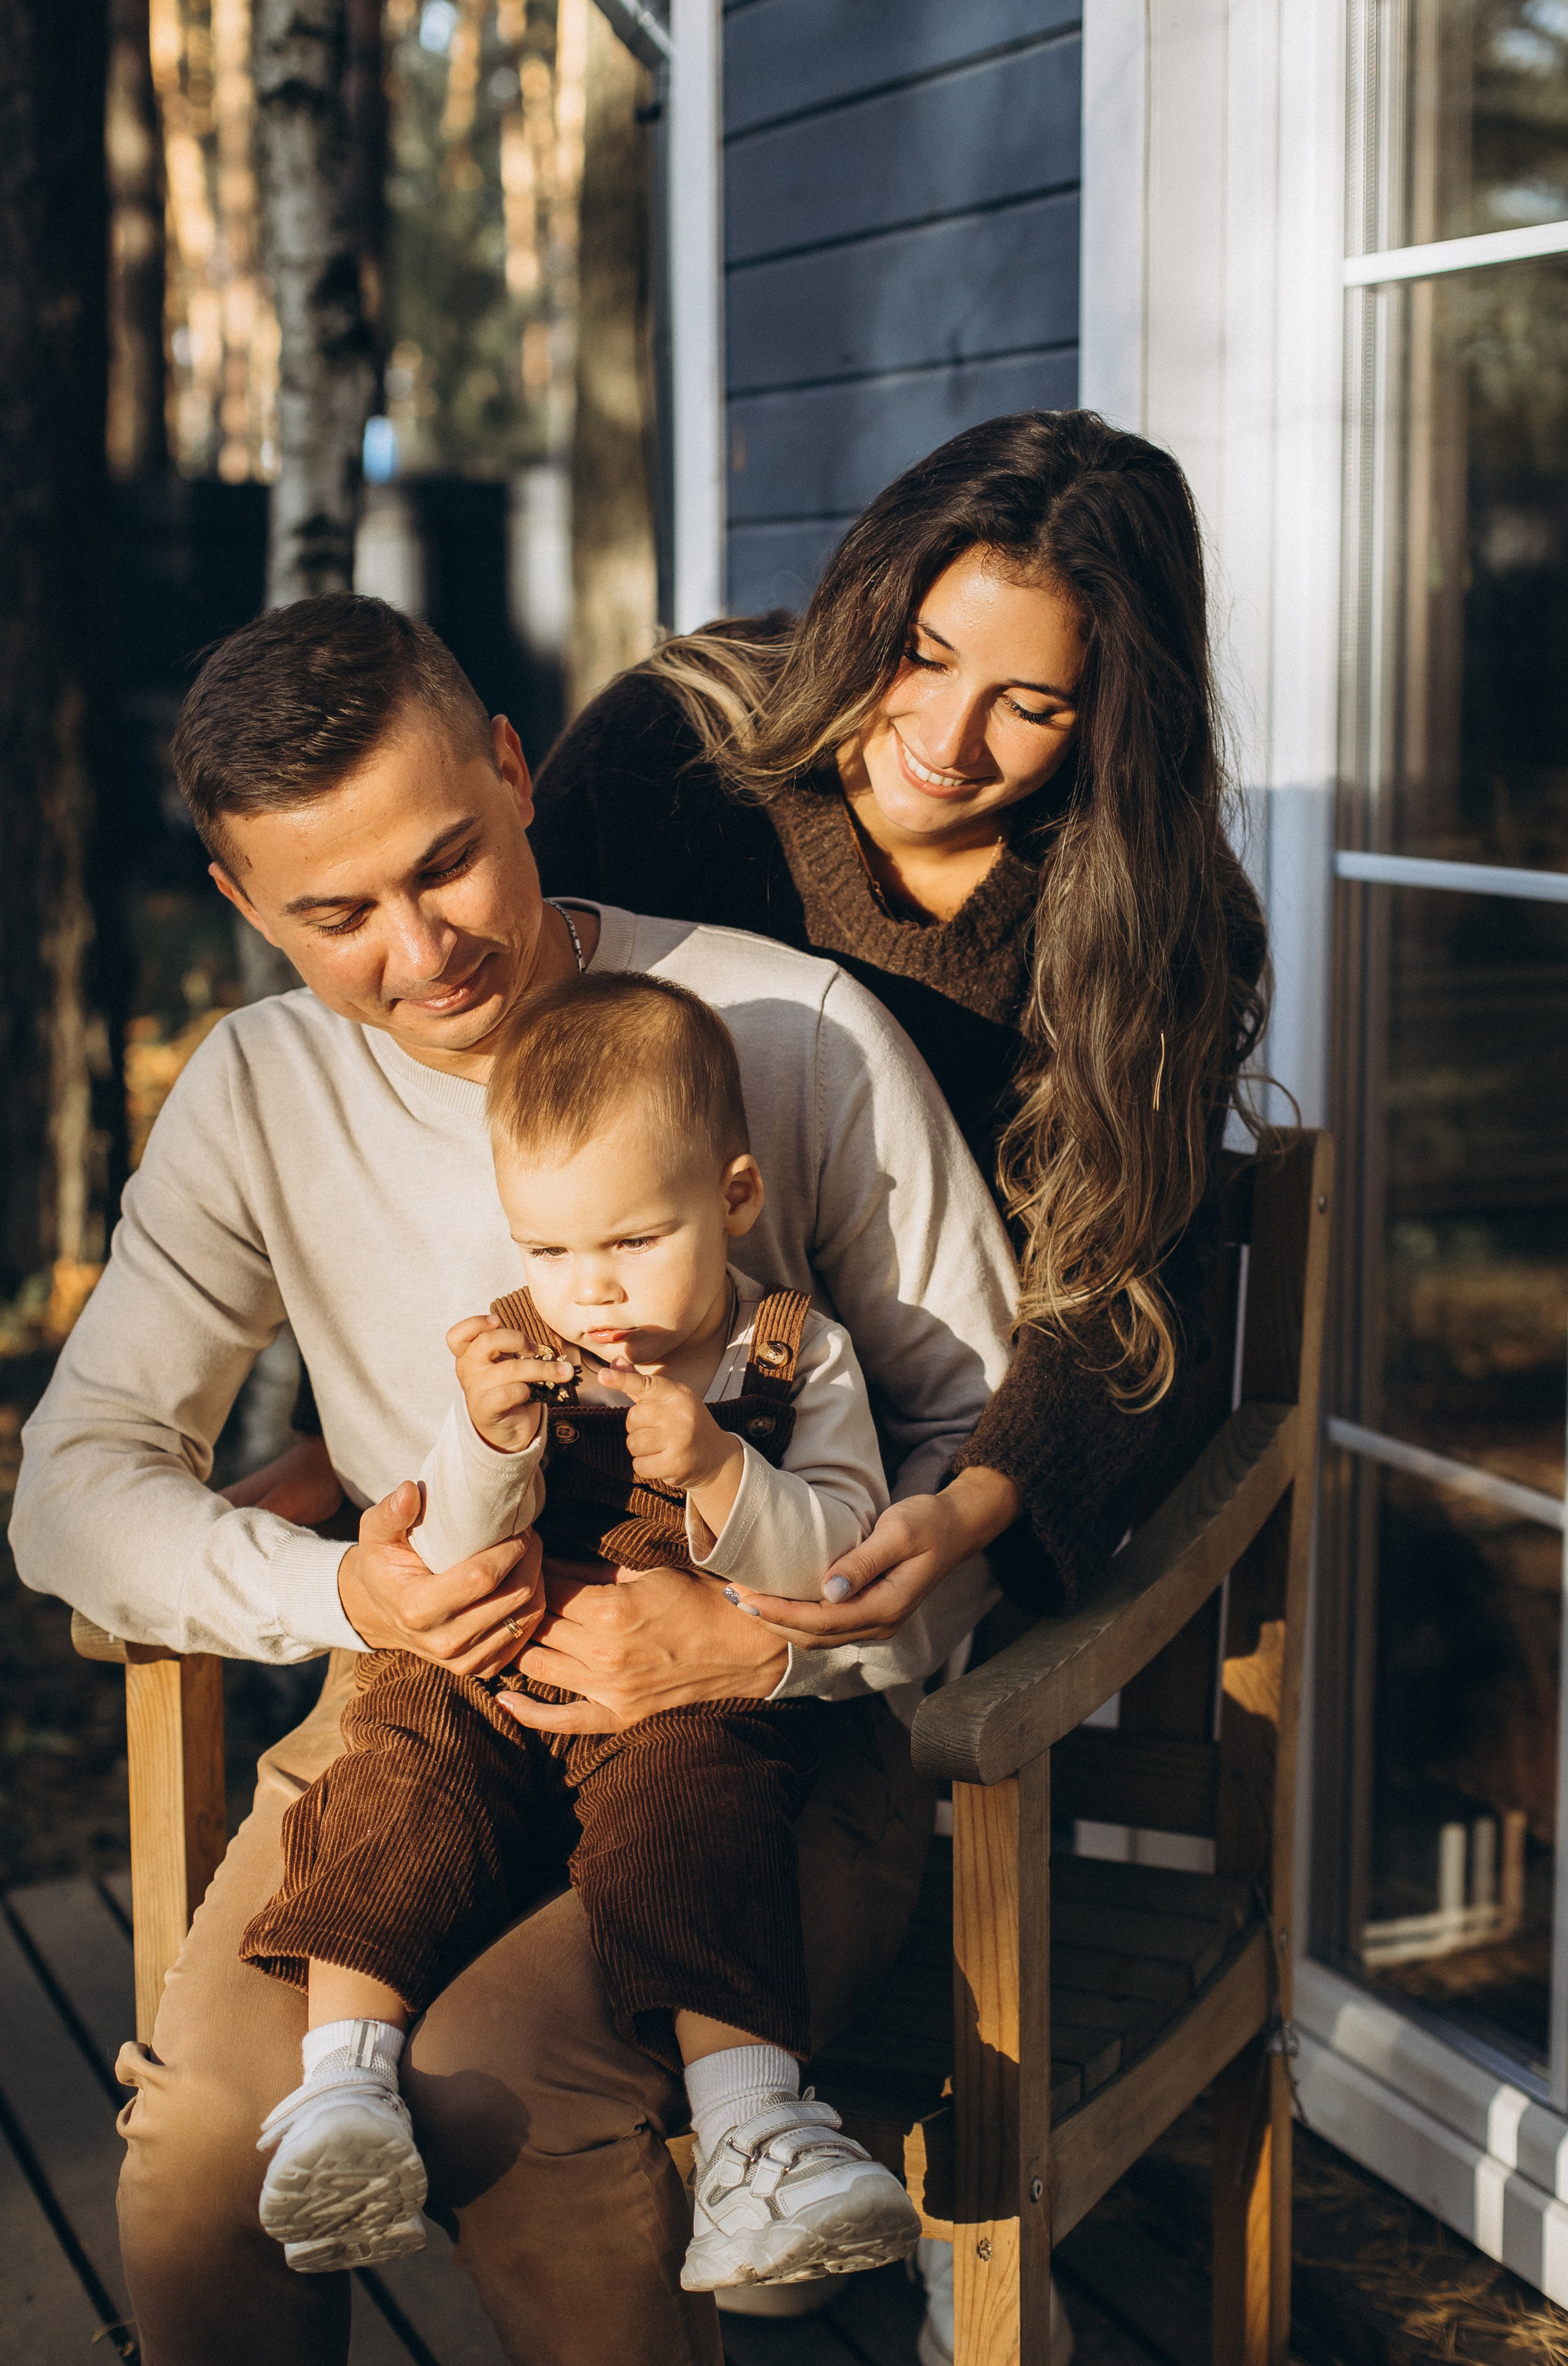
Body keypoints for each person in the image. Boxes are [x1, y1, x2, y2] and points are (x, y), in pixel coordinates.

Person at [10, 592, 1020, 2366]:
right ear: (244, 904)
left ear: (508, 768)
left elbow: (979, 1446)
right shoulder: (254, 1090)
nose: (421, 949)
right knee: (199, 2160)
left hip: (768, 1753)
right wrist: (346, 1592)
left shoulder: (787, 1030)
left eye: (447, 864)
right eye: (335, 915)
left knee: (507, 2092)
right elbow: (74, 1492)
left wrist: (761, 1642)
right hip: (424, 1713)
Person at [529, 407, 1271, 1650]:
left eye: (1030, 705)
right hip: (571, 1463)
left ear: (1113, 719)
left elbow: (1120, 1285)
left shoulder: (1152, 930)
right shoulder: (670, 755)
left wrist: (959, 1513)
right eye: (921, 655)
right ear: (869, 603)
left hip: (884, 1517)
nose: (943, 740)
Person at [243, 971, 919, 2293]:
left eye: (630, 1241)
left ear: (732, 1201)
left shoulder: (790, 1359)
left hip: (682, 1696)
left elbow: (842, 1559)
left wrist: (726, 1472)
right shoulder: (517, 1349)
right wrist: (490, 1440)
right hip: (502, 1670)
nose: (587, 1292)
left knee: (703, 1810)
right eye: (547, 1253)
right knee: (400, 1759)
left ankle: (751, 2139)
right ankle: (342, 2095)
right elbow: (451, 1556)